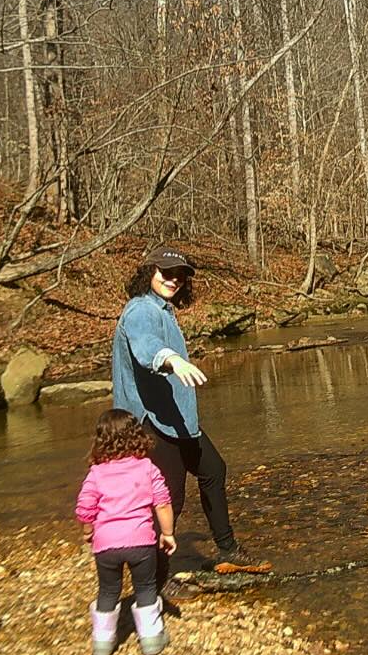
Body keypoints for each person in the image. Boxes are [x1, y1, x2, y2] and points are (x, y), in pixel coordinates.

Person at [112, 243, 272, 576]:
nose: (173, 281)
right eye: (166, 273)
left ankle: (228, 550)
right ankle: (155, 581)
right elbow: (146, 348)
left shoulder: (163, 310)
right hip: (152, 422)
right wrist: (170, 359)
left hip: (178, 420)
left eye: (180, 277)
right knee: (169, 498)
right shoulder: (141, 310)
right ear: (149, 272)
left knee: (213, 470)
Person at [74, 408, 174, 655]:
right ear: (137, 437)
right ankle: (151, 639)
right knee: (145, 587)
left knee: (108, 590)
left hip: (106, 545)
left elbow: (85, 506)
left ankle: (103, 642)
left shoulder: (96, 473)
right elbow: (162, 502)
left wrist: (88, 530)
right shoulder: (146, 468)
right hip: (141, 542)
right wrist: (167, 533)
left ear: (100, 440)